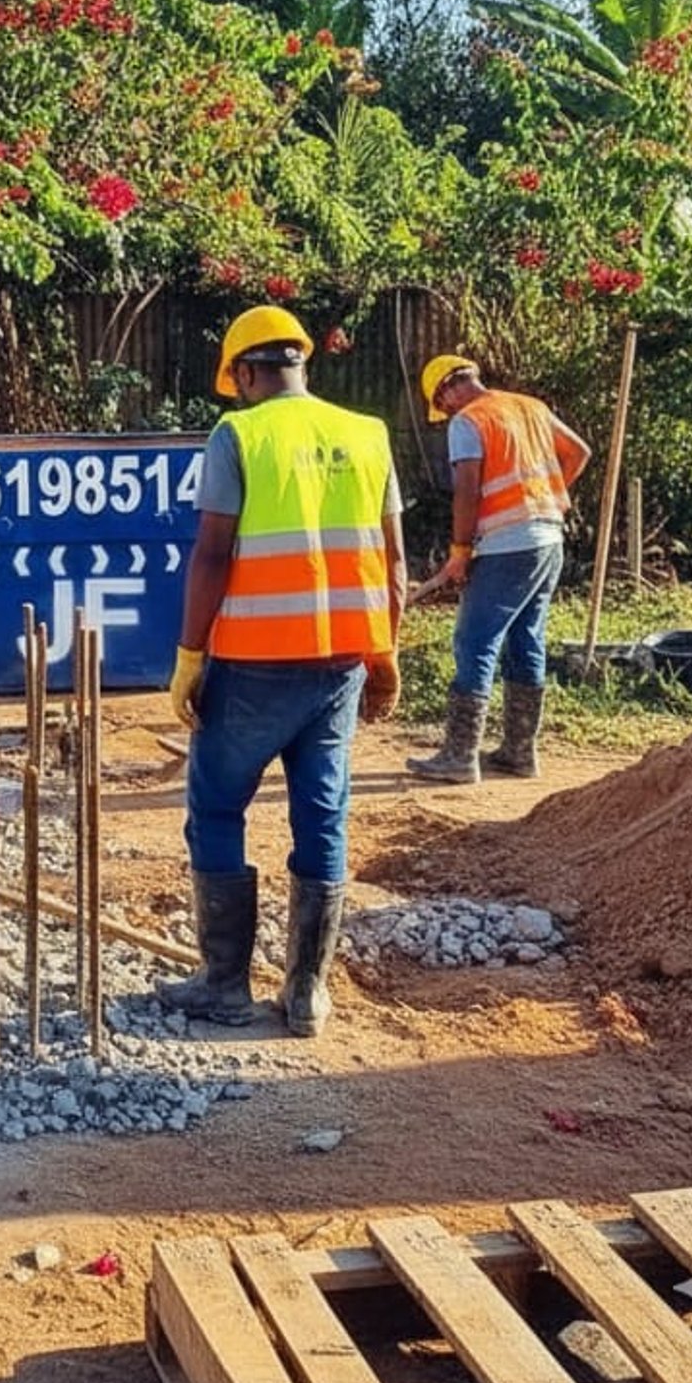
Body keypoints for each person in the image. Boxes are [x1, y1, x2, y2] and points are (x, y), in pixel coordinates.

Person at [160, 307, 407, 1038]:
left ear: (244, 372)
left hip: (251, 665)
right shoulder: (368, 434)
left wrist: (189, 657)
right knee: (322, 817)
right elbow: (392, 563)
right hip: (338, 667)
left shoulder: (239, 434)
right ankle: (307, 996)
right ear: (301, 362)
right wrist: (384, 656)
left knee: (215, 810)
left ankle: (225, 986)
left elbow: (212, 554)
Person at [406, 355, 591, 783]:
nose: (447, 412)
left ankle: (459, 756)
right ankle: (519, 752)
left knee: (475, 641)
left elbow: (466, 490)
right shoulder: (529, 406)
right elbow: (579, 452)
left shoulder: (467, 422)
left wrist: (459, 551)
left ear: (448, 391)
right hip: (548, 539)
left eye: (443, 404)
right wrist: (546, 497)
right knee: (526, 638)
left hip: (508, 545)